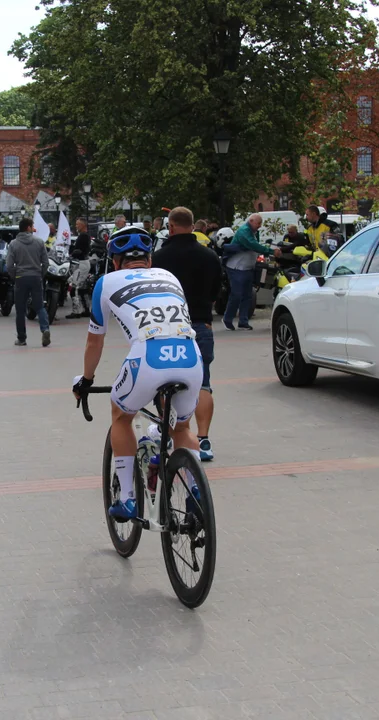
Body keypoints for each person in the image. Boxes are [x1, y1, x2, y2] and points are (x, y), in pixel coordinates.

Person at [72, 226, 204, 520]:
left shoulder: (106, 282)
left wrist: (87, 379)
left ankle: (128, 499)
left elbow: (95, 340)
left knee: (121, 416)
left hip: (148, 358)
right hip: (190, 356)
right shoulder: (169, 277)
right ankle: (197, 496)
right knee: (182, 428)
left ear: (115, 261)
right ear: (149, 260)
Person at [152, 207, 222, 462]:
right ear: (193, 226)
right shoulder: (209, 256)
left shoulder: (158, 258)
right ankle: (203, 440)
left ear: (170, 227)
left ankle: (171, 434)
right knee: (203, 383)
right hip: (200, 324)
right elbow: (217, 289)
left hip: (167, 327)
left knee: (164, 382)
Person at [223, 213, 275, 331]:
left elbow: (255, 246)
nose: (260, 226)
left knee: (247, 295)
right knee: (236, 294)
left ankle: (243, 321)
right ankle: (228, 319)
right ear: (251, 221)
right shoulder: (244, 231)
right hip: (236, 267)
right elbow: (253, 245)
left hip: (247, 267)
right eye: (258, 223)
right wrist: (270, 251)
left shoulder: (253, 231)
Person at [7, 217, 50, 347]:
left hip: (21, 278)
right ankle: (45, 329)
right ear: (28, 228)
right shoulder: (39, 242)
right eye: (32, 226)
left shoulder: (13, 244)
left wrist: (15, 276)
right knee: (39, 306)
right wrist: (40, 274)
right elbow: (46, 263)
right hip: (36, 277)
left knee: (20, 310)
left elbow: (9, 265)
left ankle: (22, 338)